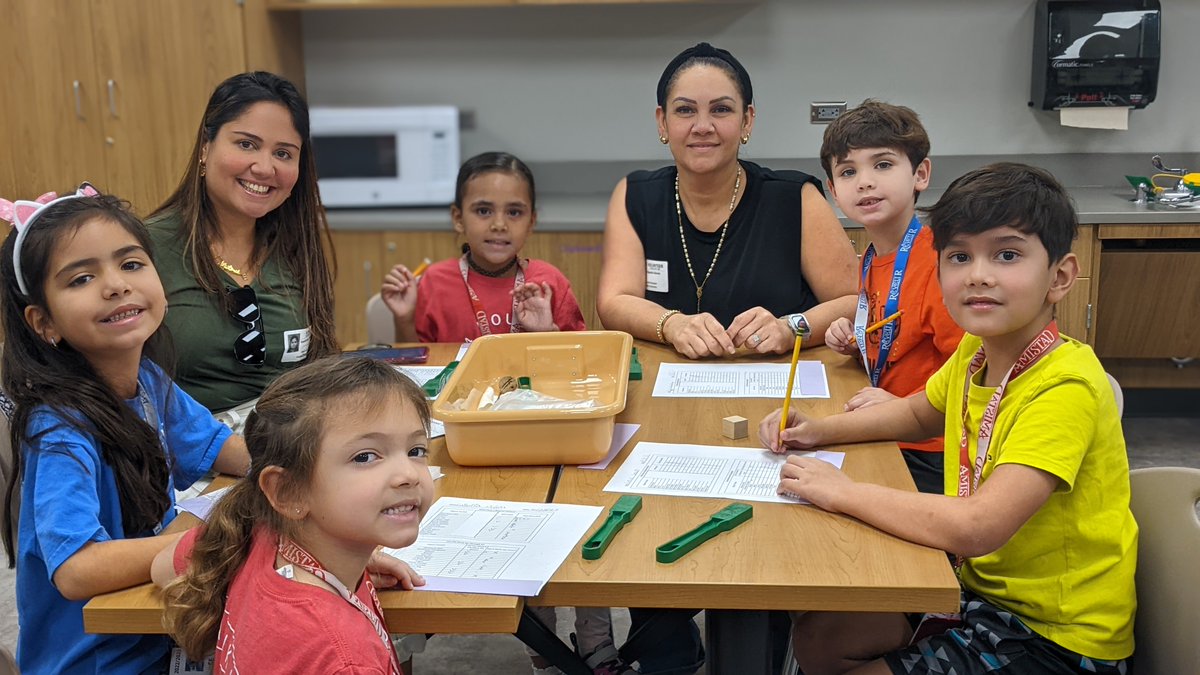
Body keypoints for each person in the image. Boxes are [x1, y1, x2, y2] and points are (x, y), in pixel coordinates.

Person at [760, 163, 1136, 675]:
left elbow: (978, 527)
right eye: (959, 256)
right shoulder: (977, 352)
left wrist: (842, 491)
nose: (978, 274)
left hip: (1055, 639)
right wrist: (818, 431)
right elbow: (918, 413)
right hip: (978, 591)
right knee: (823, 636)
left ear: (1060, 277)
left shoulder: (1064, 387)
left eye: (1007, 255)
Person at [0, 185, 250, 674]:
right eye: (82, 278)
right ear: (44, 323)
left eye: (131, 264)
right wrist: (205, 537)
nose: (116, 285)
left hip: (160, 628)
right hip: (101, 661)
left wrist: (309, 466)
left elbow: (224, 448)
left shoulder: (148, 381)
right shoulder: (60, 429)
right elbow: (76, 569)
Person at [155, 356, 431, 672]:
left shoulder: (257, 535)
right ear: (286, 491)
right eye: (365, 457)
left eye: (416, 451)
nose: (408, 474)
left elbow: (162, 566)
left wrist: (351, 560)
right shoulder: (346, 662)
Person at [597, 42, 858, 359]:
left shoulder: (796, 198)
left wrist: (791, 328)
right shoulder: (636, 195)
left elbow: (855, 301)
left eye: (721, 109)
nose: (702, 127)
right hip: (668, 382)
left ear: (747, 120)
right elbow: (614, 301)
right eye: (685, 110)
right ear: (662, 122)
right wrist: (671, 324)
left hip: (780, 381)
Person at [148, 71, 338, 413]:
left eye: (283, 153)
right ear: (205, 147)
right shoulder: (145, 247)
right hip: (188, 442)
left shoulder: (295, 246)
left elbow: (318, 368)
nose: (264, 168)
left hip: (287, 435)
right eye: (246, 144)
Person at [818, 100, 963, 494]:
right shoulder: (872, 257)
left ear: (920, 174)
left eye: (882, 165)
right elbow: (903, 340)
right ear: (833, 192)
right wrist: (859, 342)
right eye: (848, 172)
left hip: (933, 448)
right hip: (888, 427)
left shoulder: (938, 264)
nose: (865, 182)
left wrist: (902, 406)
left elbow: (971, 372)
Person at [382, 151, 587, 342]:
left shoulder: (549, 283)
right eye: (483, 211)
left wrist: (546, 334)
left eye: (514, 212)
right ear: (458, 218)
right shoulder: (434, 283)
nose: (499, 225)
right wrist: (404, 320)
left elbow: (578, 359)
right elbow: (414, 365)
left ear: (531, 222)